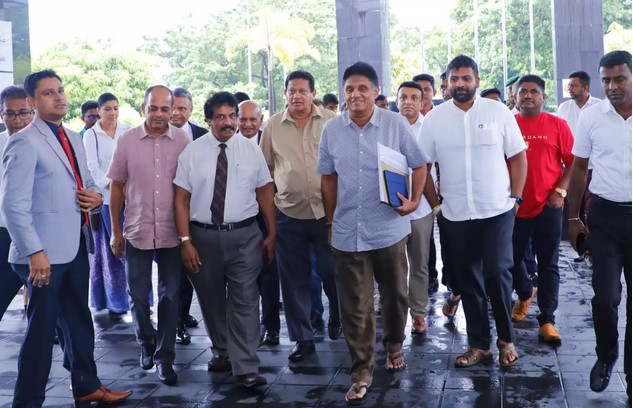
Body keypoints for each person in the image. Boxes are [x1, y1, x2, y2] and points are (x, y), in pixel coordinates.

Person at [1, 69, 132, 407]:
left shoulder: (73, 136)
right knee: (41, 333)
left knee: (79, 321)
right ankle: (26, 402)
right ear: (32, 102)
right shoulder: (24, 141)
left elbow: (88, 182)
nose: (58, 96)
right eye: (48, 93)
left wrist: (96, 198)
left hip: (74, 246)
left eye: (59, 90)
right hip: (42, 255)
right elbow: (13, 205)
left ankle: (87, 385)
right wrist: (35, 252)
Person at [317, 61, 428, 405]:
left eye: (363, 88)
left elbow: (419, 163)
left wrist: (414, 201)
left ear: (376, 91)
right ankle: (361, 371)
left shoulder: (394, 124)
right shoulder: (332, 130)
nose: (355, 94)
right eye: (349, 89)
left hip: (389, 229)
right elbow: (327, 178)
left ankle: (394, 344)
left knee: (395, 296)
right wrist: (330, 222)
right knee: (355, 305)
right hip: (347, 230)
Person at [419, 55, 527, 369]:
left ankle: (506, 340)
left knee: (496, 273)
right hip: (454, 213)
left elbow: (518, 157)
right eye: (454, 79)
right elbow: (423, 166)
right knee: (468, 279)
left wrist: (516, 198)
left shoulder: (497, 112)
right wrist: (436, 205)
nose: (460, 84)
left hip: (497, 210)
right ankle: (479, 345)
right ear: (447, 83)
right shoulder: (434, 119)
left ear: (477, 81)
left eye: (466, 78)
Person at [174, 91, 275, 388]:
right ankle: (222, 351)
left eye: (232, 115)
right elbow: (181, 199)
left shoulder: (251, 150)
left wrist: (272, 232)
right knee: (211, 298)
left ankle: (246, 365)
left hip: (245, 237)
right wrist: (185, 241)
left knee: (246, 299)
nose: (228, 122)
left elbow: (264, 191)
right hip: (202, 238)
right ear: (208, 120)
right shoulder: (192, 152)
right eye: (220, 117)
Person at [108, 85, 190, 385]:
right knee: (138, 294)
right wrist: (116, 231)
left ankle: (165, 357)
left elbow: (188, 188)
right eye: (152, 108)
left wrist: (188, 236)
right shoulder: (127, 140)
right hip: (137, 229)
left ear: (173, 110)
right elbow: (116, 186)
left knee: (170, 295)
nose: (158, 114)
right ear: (143, 108)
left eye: (165, 109)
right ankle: (146, 340)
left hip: (172, 230)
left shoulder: (182, 141)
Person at [260, 70, 341, 363]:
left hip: (328, 215)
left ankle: (338, 314)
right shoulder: (272, 126)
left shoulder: (332, 122)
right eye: (291, 91)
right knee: (294, 281)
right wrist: (271, 221)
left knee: (332, 271)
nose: (296, 96)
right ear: (285, 94)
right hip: (288, 214)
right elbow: (266, 171)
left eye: (302, 91)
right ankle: (303, 340)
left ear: (313, 93)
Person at [567, 50, 632, 397]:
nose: (612, 86)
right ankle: (606, 356)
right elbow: (579, 168)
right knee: (605, 297)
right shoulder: (591, 117)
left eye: (620, 79)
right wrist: (574, 217)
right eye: (606, 80)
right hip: (604, 218)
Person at [510, 75, 574, 344]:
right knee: (509, 260)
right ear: (514, 97)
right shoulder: (508, 124)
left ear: (543, 97)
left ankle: (547, 320)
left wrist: (560, 191)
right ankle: (525, 292)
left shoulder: (558, 125)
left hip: (549, 205)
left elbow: (573, 162)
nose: (528, 95)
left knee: (549, 263)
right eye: (522, 91)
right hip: (513, 206)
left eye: (534, 91)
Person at [83, 92, 132, 317]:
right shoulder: (91, 135)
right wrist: (112, 185)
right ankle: (115, 302)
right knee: (110, 252)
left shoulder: (127, 131)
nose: (112, 113)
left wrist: (125, 187)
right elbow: (91, 167)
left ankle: (139, 299)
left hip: (129, 198)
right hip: (105, 199)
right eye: (107, 109)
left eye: (115, 108)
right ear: (99, 111)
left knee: (133, 250)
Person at [238, 99, 281, 345]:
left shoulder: (270, 141)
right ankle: (247, 327)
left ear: (261, 120)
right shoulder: (228, 143)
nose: (247, 124)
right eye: (243, 119)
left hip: (266, 217)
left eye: (252, 119)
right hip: (239, 220)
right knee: (242, 277)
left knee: (269, 274)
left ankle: (271, 327)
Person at [169, 87, 207, 345]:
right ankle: (177, 321)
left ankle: (184, 313)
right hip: (167, 213)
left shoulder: (203, 136)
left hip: (200, 212)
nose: (176, 113)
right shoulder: (157, 135)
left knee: (196, 268)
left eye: (182, 108)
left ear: (191, 110)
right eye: (172, 107)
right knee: (175, 273)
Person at [396, 81, 434, 335]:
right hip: (392, 209)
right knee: (394, 266)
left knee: (419, 263)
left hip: (422, 209)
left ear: (422, 102)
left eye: (413, 98)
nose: (408, 102)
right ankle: (395, 311)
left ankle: (418, 313)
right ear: (396, 101)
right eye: (403, 97)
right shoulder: (388, 126)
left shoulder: (429, 127)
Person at [0, 86, 33, 319]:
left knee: (49, 304)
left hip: (38, 234)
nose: (18, 120)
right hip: (4, 234)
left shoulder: (46, 144)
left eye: (23, 113)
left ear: (33, 110)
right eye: (10, 114)